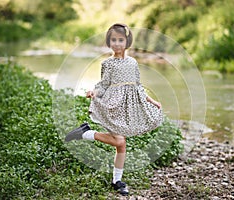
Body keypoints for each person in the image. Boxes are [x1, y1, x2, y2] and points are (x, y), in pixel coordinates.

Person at [65, 23, 163, 196]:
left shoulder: (132, 63)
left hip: (127, 107)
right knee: (120, 142)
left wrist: (151, 100)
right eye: (113, 40)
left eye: (120, 40)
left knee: (121, 146)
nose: (117, 43)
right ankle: (85, 134)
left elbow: (137, 86)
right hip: (113, 105)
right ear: (109, 42)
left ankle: (117, 180)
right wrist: (93, 92)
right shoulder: (108, 64)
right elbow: (103, 85)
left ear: (127, 41)